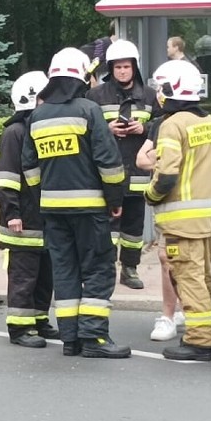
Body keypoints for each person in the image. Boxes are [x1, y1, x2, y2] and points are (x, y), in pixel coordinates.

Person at [22, 47, 131, 359]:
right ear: (81, 76)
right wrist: (115, 199)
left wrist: (43, 196)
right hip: (89, 209)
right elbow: (108, 163)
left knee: (65, 270)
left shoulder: (37, 116)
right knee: (97, 269)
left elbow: (29, 168)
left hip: (52, 211)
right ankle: (94, 337)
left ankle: (70, 339)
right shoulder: (88, 110)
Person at [145, 60, 211, 361]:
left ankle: (199, 342)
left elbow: (166, 176)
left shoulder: (172, 124)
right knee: (201, 279)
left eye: (161, 88)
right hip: (206, 221)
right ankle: (202, 334)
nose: (158, 94)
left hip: (181, 225)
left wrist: (150, 195)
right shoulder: (210, 122)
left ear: (171, 90)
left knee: (189, 280)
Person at [85, 39, 162, 290]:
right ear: (111, 68)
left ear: (134, 67)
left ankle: (130, 270)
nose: (122, 71)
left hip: (138, 174)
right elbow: (85, 128)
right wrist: (106, 129)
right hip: (107, 175)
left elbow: (165, 126)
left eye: (126, 67)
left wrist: (145, 128)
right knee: (107, 227)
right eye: (117, 67)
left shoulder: (149, 96)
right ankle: (104, 269)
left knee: (133, 229)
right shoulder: (96, 95)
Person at [0, 70, 58, 348]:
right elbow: (4, 179)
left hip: (42, 219)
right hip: (22, 221)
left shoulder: (38, 130)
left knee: (45, 274)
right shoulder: (15, 132)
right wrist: (13, 214)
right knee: (24, 275)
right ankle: (19, 328)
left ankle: (39, 320)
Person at [135, 119, 185, 341]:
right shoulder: (160, 124)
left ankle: (188, 311)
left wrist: (162, 160)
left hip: (190, 207)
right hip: (169, 210)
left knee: (194, 261)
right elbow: (141, 159)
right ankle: (169, 316)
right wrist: (164, 161)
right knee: (167, 260)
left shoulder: (200, 122)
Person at [79, 21, 118, 86]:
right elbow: (82, 52)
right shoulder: (103, 43)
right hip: (101, 86)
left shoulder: (121, 46)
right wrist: (91, 77)